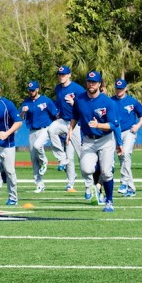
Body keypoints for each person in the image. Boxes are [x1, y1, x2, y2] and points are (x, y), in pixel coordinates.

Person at [69, 71, 122, 213]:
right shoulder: (79, 99)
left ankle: (109, 201)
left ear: (99, 84)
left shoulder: (108, 102)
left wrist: (98, 125)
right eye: (89, 81)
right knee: (86, 169)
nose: (91, 84)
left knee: (107, 172)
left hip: (105, 140)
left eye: (94, 82)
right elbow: (75, 116)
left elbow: (113, 125)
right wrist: (70, 130)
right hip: (88, 140)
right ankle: (95, 187)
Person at [48, 66, 86, 194]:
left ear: (69, 75)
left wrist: (74, 103)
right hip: (63, 121)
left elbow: (86, 105)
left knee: (81, 155)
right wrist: (58, 113)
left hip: (75, 124)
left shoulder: (77, 89)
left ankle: (90, 182)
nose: (61, 76)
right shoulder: (58, 88)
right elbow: (58, 103)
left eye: (64, 74)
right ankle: (69, 181)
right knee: (51, 129)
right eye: (59, 74)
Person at [111, 79, 142, 197]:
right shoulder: (110, 101)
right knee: (122, 159)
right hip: (115, 132)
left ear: (125, 89)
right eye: (117, 88)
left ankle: (124, 182)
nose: (119, 90)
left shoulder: (132, 101)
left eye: (121, 88)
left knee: (125, 154)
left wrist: (138, 126)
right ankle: (131, 188)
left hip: (129, 132)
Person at [20, 80, 58, 193]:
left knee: (38, 145)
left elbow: (55, 114)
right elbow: (20, 117)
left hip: (45, 128)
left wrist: (57, 128)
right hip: (32, 131)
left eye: (33, 90)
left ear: (37, 89)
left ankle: (44, 161)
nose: (31, 92)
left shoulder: (46, 100)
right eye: (29, 90)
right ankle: (39, 184)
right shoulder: (26, 102)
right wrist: (23, 111)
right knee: (33, 158)